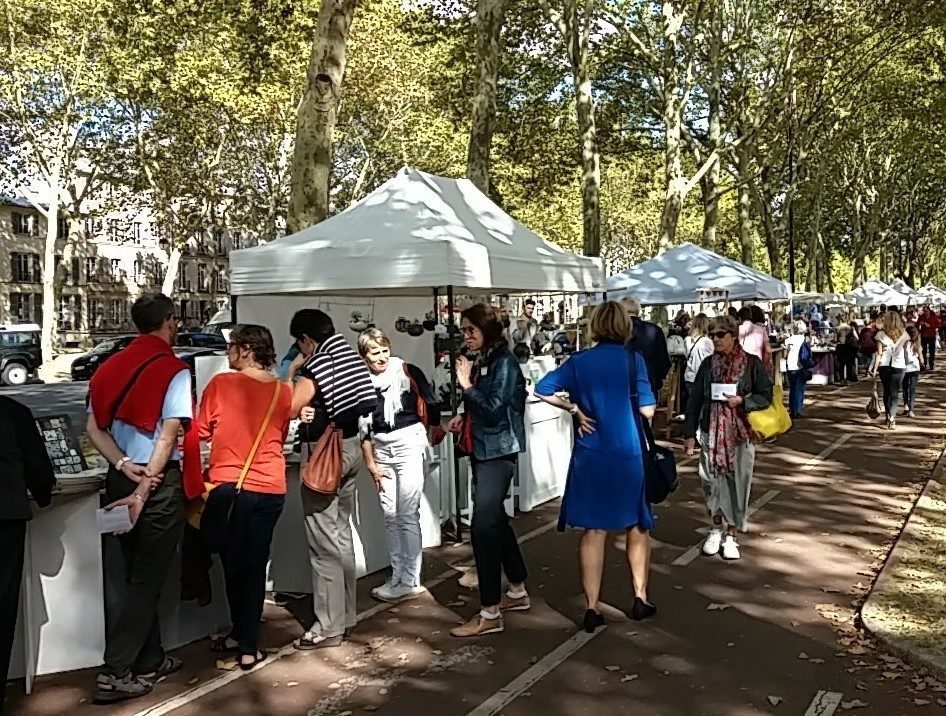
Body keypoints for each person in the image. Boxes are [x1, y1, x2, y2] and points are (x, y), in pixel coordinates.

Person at [86, 293, 200, 703]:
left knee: (130, 573)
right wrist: (143, 487)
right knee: (147, 577)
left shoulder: (108, 366)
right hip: (155, 482)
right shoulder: (174, 370)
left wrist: (121, 467)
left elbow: (93, 428)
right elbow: (168, 437)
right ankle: (115, 669)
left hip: (122, 477)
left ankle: (149, 657)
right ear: (169, 321)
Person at [534, 302, 658, 630]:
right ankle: (640, 596)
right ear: (624, 326)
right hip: (628, 450)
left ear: (594, 326)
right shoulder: (634, 361)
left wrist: (574, 408)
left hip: (591, 452)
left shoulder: (579, 362)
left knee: (594, 529)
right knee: (637, 525)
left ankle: (591, 606)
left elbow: (541, 388)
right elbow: (647, 410)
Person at [198, 325, 292, 670]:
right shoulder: (283, 390)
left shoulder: (222, 384)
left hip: (229, 486)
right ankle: (247, 642)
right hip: (269, 487)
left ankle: (243, 635)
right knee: (254, 565)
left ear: (246, 349)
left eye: (232, 346)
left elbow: (201, 430)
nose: (228, 352)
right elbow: (280, 434)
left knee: (232, 565)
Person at [288, 309, 378, 650]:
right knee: (341, 535)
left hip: (326, 453)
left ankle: (328, 625)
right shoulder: (350, 358)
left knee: (323, 542)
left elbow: (289, 405)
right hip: (352, 447)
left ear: (307, 340)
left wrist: (294, 371)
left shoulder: (317, 363)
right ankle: (346, 614)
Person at [446, 303, 529, 637]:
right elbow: (490, 406)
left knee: (483, 526)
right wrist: (464, 417)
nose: (466, 336)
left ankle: (490, 612)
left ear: (487, 331)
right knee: (493, 519)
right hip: (487, 448)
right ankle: (517, 590)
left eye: (471, 330)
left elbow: (495, 410)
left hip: (499, 451)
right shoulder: (489, 360)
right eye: (464, 330)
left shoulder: (504, 363)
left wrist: (466, 386)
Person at [358, 328, 440, 603]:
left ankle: (410, 578)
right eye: (374, 352)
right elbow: (362, 427)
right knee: (390, 514)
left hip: (408, 443)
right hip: (381, 448)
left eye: (384, 350)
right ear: (364, 355)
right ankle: (398, 575)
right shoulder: (361, 381)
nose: (381, 357)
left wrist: (428, 438)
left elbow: (431, 402)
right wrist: (370, 462)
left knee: (406, 513)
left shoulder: (406, 371)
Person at [682, 315, 773, 560]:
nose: (716, 339)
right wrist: (689, 434)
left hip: (740, 434)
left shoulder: (752, 364)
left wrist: (744, 401)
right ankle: (715, 527)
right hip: (711, 433)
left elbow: (766, 395)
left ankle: (732, 535)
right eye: (712, 335)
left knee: (737, 484)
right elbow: (694, 401)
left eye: (721, 334)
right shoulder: (708, 365)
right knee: (710, 483)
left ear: (733, 336)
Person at [0, 398, 54, 714]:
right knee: (3, 607)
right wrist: (44, 494)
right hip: (6, 520)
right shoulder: (14, 413)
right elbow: (38, 469)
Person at [621, 296, 671, 397]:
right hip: (649, 385)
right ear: (638, 311)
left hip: (622, 386)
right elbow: (663, 362)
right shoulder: (655, 330)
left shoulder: (616, 330)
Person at [873, 310, 908, 430]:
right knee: (895, 393)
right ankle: (892, 417)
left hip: (885, 366)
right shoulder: (904, 334)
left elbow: (879, 353)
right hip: (899, 365)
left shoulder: (880, 335)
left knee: (887, 392)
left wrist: (874, 368)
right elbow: (906, 351)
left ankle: (888, 415)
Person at [683, 314, 714, 411]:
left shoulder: (687, 340)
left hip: (689, 376)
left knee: (693, 407)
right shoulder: (707, 342)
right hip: (702, 377)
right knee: (702, 408)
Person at [784, 321, 809, 419]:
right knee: (800, 389)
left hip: (790, 365)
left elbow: (785, 353)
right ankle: (797, 409)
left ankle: (792, 409)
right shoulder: (804, 339)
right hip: (800, 366)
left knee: (793, 389)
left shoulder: (789, 340)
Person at [902, 325, 923, 419]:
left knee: (905, 387)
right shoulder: (917, 344)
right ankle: (911, 410)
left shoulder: (903, 343)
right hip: (914, 368)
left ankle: (906, 405)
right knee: (912, 389)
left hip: (904, 367)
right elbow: (921, 357)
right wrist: (922, 363)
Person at [917, 306, 940, 370]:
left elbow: (938, 325)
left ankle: (931, 365)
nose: (925, 312)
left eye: (926, 311)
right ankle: (923, 365)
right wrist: (920, 325)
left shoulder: (933, 317)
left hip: (931, 335)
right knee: (923, 351)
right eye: (924, 311)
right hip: (923, 336)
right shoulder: (921, 317)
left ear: (929, 310)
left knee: (931, 351)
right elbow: (917, 325)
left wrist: (930, 325)